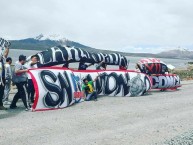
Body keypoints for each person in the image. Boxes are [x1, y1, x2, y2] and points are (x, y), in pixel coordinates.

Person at [0, 45, 9, 110]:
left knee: (1, 92)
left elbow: (5, 54)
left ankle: (0, 105)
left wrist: (7, 47)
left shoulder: (3, 59)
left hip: (3, 78)